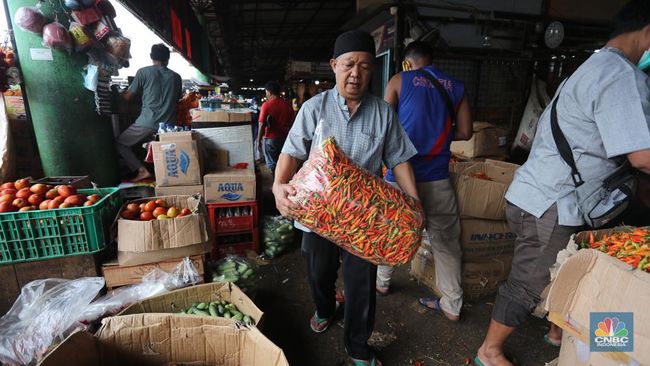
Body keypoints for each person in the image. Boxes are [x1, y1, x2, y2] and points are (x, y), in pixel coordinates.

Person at [476, 1, 650, 364]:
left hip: (536, 193)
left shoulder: (588, 69)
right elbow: (642, 156)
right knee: (529, 282)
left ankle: (561, 331)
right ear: (647, 33)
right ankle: (489, 352)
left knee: (577, 265)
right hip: (555, 204)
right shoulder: (620, 75)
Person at [273, 30, 419, 366]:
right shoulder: (315, 108)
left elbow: (399, 159)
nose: (356, 73)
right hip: (318, 217)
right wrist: (278, 186)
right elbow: (292, 152)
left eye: (365, 66)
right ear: (334, 65)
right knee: (318, 272)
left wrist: (414, 204)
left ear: (372, 71)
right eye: (349, 64)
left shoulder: (383, 113)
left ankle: (357, 346)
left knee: (361, 285)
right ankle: (325, 308)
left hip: (363, 218)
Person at [377, 41, 473, 321]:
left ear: (407, 62)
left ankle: (382, 281)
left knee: (390, 231)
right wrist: (439, 135)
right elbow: (466, 132)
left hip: (399, 177)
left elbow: (384, 123)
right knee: (446, 242)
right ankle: (452, 305)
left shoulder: (398, 80)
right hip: (438, 178)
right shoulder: (455, 86)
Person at [117, 44, 182, 181]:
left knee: (121, 143)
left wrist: (116, 94)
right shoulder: (176, 77)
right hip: (169, 126)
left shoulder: (143, 72)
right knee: (161, 149)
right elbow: (177, 99)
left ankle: (141, 170)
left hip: (147, 122)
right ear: (168, 58)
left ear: (152, 57)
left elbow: (128, 97)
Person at [256, 81, 295, 173]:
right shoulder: (287, 104)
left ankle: (275, 182)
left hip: (270, 139)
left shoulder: (266, 105)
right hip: (284, 138)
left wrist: (258, 140)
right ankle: (282, 181)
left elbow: (261, 124)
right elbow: (292, 123)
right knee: (282, 162)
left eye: (266, 92)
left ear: (269, 92)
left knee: (273, 164)